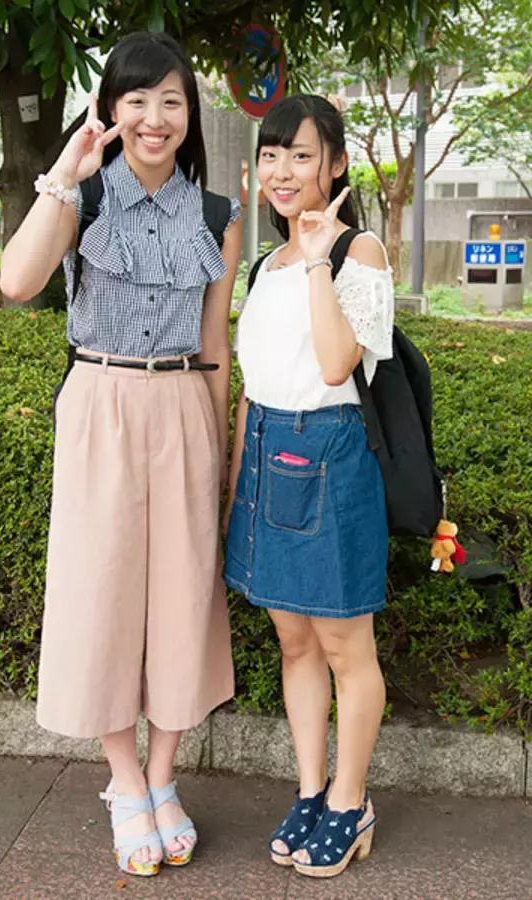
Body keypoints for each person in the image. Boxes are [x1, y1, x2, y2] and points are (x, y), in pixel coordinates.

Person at [0, 32, 241, 878]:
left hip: (182, 403)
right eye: (136, 100)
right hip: (99, 401)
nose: (154, 117)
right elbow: (16, 281)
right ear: (110, 109)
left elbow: (215, 346)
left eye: (172, 100)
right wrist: (63, 174)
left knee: (183, 593)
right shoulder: (85, 198)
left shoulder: (216, 216)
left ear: (190, 114)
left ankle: (164, 776)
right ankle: (126, 781)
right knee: (100, 591)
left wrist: (222, 456)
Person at [223, 94, 393, 879]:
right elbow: (251, 389)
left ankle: (351, 803)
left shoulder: (361, 253)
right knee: (294, 640)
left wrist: (323, 256)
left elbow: (334, 365)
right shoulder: (266, 265)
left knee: (344, 647)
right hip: (267, 456)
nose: (282, 171)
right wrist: (236, 485)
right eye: (271, 154)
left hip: (330, 457)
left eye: (301, 154)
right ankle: (311, 790)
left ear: (337, 163)